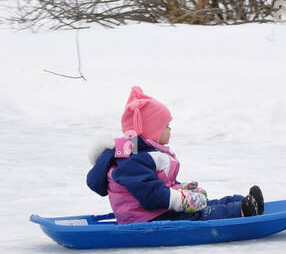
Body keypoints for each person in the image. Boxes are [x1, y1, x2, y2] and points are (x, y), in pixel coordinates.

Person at [86, 85, 265, 224]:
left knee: (204, 204)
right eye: (165, 126)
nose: (170, 129)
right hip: (147, 218)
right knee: (200, 216)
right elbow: (150, 194)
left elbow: (157, 184)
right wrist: (181, 199)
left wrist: (182, 189)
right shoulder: (132, 159)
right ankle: (241, 211)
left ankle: (242, 201)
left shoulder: (142, 153)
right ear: (152, 131)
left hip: (156, 210)